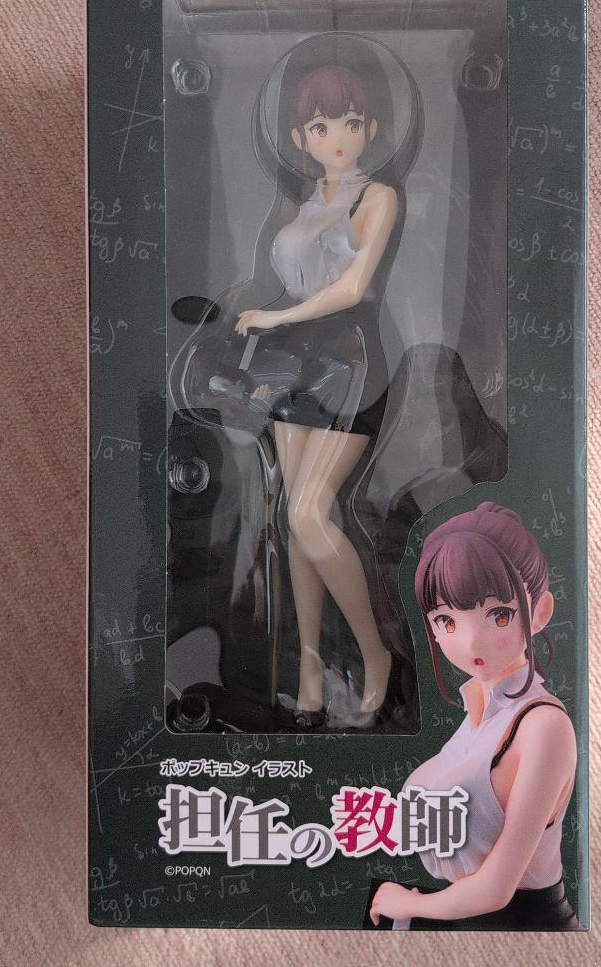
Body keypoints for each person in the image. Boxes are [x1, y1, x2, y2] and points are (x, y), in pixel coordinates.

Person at [233, 64, 401, 728]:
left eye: (351, 122)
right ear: (301, 138)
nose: (338, 137)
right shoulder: (302, 207)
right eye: (321, 125)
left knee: (308, 512)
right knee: (290, 519)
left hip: (351, 358)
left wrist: (277, 318)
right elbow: (293, 281)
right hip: (295, 363)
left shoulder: (377, 198)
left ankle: (374, 652)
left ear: (372, 130)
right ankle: (307, 669)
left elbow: (352, 289)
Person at [367, 501, 579, 929]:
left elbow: (496, 888)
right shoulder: (478, 716)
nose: (470, 642)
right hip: (465, 920)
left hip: (528, 927)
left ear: (540, 612)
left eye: (499, 615)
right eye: (446, 621)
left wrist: (410, 904)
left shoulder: (544, 726)